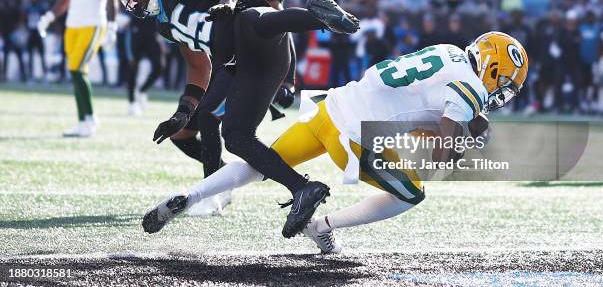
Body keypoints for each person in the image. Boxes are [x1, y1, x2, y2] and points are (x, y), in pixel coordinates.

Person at [139, 32, 528, 254]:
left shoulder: (448, 53)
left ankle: (188, 197)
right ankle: (323, 226)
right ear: (493, 70)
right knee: (411, 193)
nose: (503, 92)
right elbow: (441, 146)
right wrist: (458, 145)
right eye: (506, 83)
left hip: (331, 107)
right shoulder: (472, 87)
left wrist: (452, 129)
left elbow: (413, 108)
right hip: (355, 135)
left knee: (263, 163)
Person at [114, 0, 359, 238]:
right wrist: (182, 112)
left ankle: (320, 17)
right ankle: (302, 189)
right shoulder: (164, 25)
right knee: (236, 136)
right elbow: (197, 67)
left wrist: (228, 1)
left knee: (252, 20)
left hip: (247, 29)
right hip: (242, 64)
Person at [170, 0, 296, 215]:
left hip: (247, 69)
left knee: (210, 118)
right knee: (182, 134)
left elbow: (283, 31)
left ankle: (211, 194)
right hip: (214, 68)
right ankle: (224, 178)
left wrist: (288, 80)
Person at [37, 0, 118, 137]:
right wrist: (50, 16)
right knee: (76, 71)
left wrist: (112, 26)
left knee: (75, 69)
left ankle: (88, 119)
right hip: (72, 23)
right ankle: (84, 120)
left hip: (93, 23)